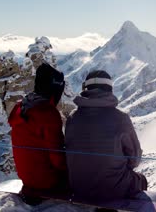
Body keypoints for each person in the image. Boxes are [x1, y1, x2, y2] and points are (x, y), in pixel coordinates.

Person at [65, 70, 147, 201]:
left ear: (85, 89)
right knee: (141, 180)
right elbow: (134, 159)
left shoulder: (72, 118)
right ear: (110, 89)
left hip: (78, 188)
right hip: (113, 190)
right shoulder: (121, 118)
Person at [8, 62, 68, 202]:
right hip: (46, 183)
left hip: (27, 179)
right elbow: (57, 158)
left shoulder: (21, 106)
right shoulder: (47, 113)